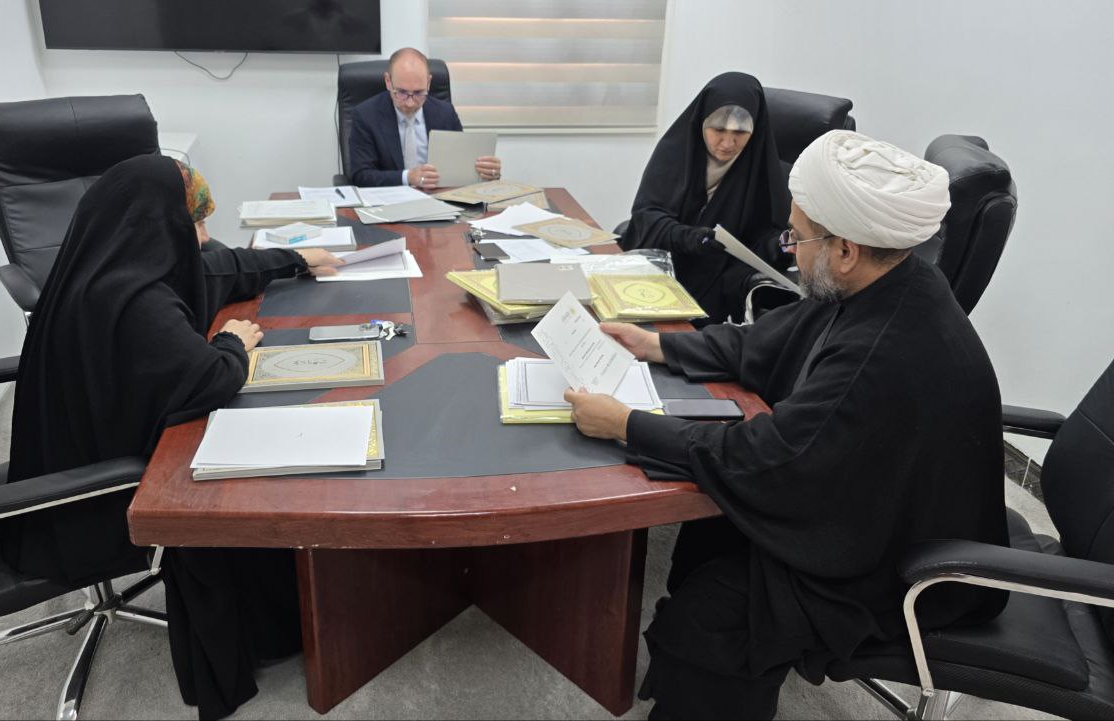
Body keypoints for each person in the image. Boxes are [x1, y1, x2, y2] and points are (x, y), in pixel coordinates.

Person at [565, 130, 1009, 720]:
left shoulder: (878, 350)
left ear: (845, 249)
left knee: (712, 620)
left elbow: (768, 459)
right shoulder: (892, 281)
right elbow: (771, 340)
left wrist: (627, 424)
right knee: (711, 533)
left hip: (907, 560)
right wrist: (661, 346)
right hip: (886, 498)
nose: (789, 249)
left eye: (796, 237)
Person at [3, 154, 342, 720]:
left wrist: (296, 259)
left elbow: (220, 268)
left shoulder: (107, 263)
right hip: (88, 501)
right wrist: (232, 342)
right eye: (195, 223)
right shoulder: (134, 302)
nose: (204, 237)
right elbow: (211, 378)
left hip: (67, 454)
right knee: (242, 467)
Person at [620, 72, 789, 323]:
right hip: (658, 267)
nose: (728, 143)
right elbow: (647, 216)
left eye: (740, 132)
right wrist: (690, 237)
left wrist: (781, 245)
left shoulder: (760, 167)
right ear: (702, 121)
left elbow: (763, 234)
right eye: (718, 129)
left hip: (717, 281)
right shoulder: (675, 151)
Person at [349, 46, 502, 189]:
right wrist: (408, 177)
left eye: (418, 93)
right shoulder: (366, 115)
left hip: (439, 197)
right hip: (391, 201)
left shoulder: (445, 113)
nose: (410, 103)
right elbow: (361, 175)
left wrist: (487, 172)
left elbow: (460, 165)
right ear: (388, 81)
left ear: (428, 83)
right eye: (401, 93)